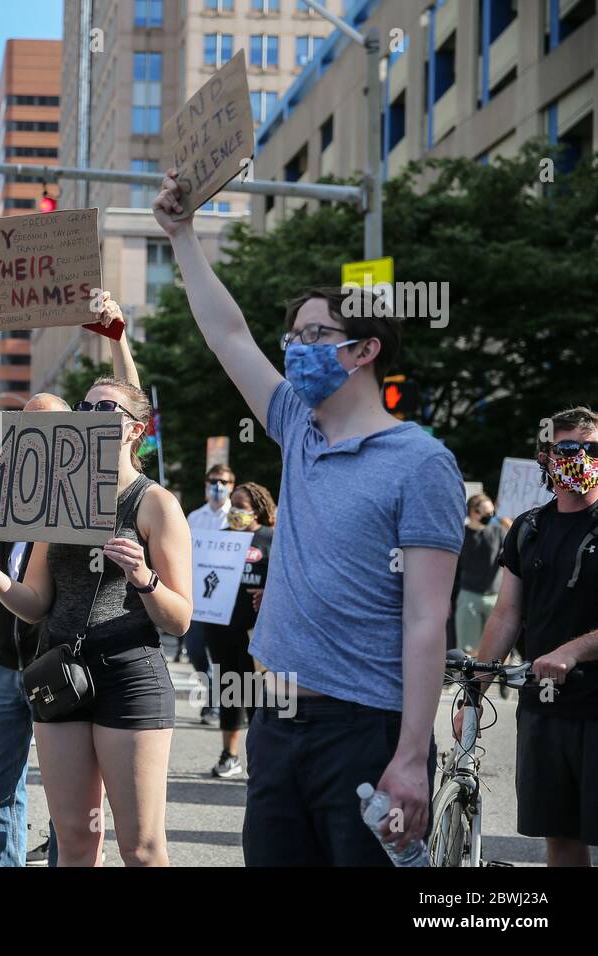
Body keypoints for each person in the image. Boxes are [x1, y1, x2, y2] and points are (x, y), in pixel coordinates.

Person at [153, 171, 464, 865]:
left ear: (363, 350)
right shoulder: (297, 426)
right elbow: (229, 335)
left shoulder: (421, 463)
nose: (294, 349)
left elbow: (426, 620)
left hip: (367, 729)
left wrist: (412, 756)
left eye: (314, 334)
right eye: (292, 336)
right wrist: (182, 236)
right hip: (278, 718)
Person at [0, 377, 192, 867]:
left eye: (106, 408)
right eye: (85, 405)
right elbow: (36, 602)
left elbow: (180, 619)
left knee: (142, 849)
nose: (90, 413)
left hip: (129, 675)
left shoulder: (155, 504)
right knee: (77, 845)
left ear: (135, 430)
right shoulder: (62, 497)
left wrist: (144, 578)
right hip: (60, 676)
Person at [458, 407, 598, 866]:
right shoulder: (528, 527)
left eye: (592, 448)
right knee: (559, 838)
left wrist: (574, 650)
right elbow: (507, 614)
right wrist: (474, 688)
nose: (581, 457)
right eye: (569, 448)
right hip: (545, 705)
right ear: (546, 456)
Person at [205, 482, 276, 779]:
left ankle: (264, 761)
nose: (234, 511)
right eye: (232, 505)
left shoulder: (272, 539)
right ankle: (229, 754)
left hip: (256, 632)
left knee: (260, 698)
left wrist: (269, 593)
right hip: (223, 629)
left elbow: (290, 579)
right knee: (231, 691)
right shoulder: (221, 540)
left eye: (241, 506)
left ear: (257, 509)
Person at [182, 464, 235, 726]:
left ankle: (214, 705)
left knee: (218, 655)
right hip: (197, 598)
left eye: (224, 481)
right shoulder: (194, 518)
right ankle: (212, 690)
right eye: (214, 480)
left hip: (225, 601)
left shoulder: (238, 519)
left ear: (232, 486)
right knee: (195, 651)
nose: (218, 485)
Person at [454, 494, 507, 653]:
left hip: (496, 597)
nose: (490, 517)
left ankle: (494, 679)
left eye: (492, 513)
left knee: (497, 648)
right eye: (486, 513)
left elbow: (519, 548)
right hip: (469, 596)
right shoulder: (461, 534)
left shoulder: (499, 530)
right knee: (468, 649)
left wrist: (506, 523)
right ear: (473, 512)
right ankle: (470, 679)